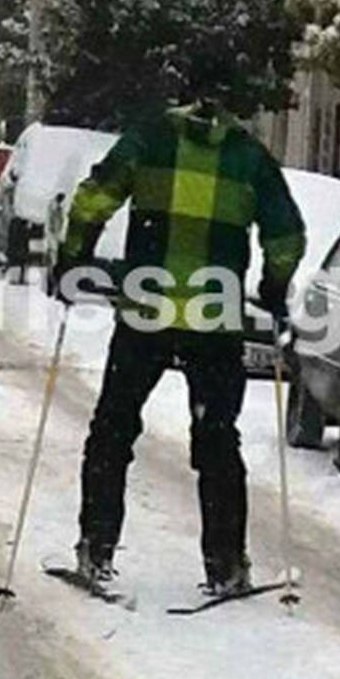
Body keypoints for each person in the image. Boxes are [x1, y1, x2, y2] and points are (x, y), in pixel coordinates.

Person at [53, 101, 306, 596]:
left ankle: (96, 546)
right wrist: (274, 289)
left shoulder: (148, 139)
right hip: (214, 320)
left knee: (113, 428)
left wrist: (75, 257)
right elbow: (287, 236)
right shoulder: (250, 157)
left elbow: (93, 199)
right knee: (216, 440)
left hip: (146, 311)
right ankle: (226, 562)